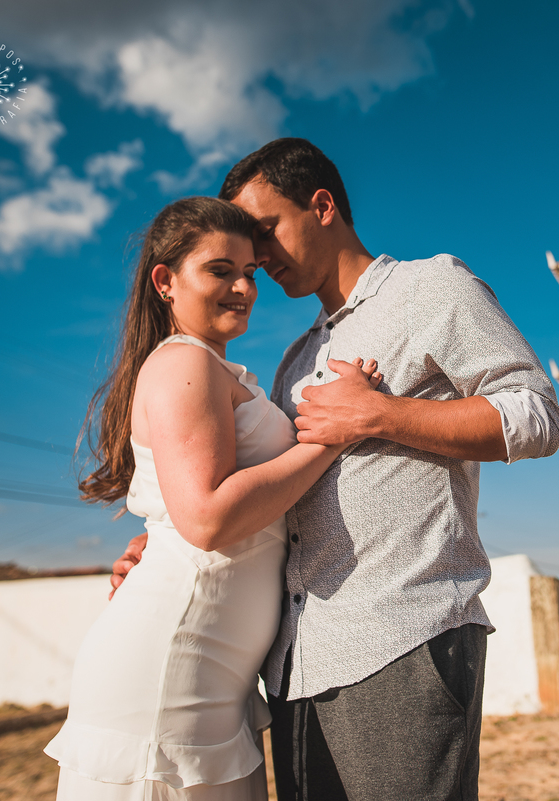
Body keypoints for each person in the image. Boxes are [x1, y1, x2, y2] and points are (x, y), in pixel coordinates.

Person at [111, 138, 559, 801]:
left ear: (321, 206)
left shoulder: (431, 286)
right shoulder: (293, 360)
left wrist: (381, 413)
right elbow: (259, 493)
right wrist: (165, 542)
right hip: (293, 667)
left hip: (401, 640)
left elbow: (537, 414)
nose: (259, 259)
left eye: (266, 230)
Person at [44, 196, 382, 800]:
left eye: (250, 272)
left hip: (214, 675)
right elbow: (206, 518)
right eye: (220, 271)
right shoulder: (184, 364)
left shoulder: (217, 371)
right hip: (171, 670)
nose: (244, 288)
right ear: (165, 281)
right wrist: (335, 435)